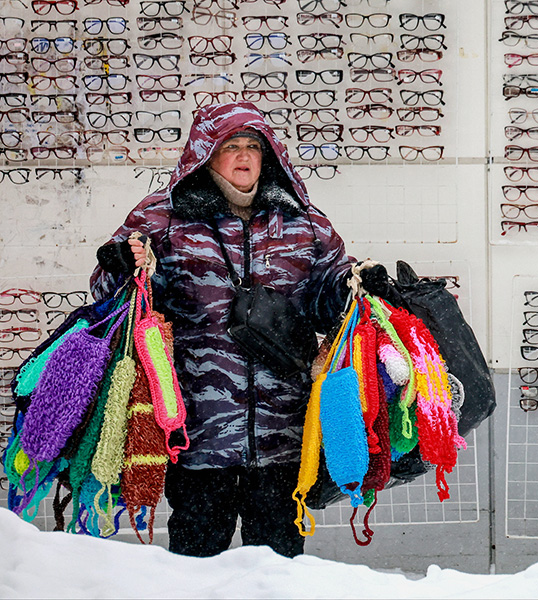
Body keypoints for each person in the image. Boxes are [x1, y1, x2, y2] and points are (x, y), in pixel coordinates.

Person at [90, 102, 387, 557]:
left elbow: (328, 301)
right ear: (206, 153)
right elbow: (117, 299)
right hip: (195, 436)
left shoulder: (303, 221)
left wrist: (356, 284)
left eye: (253, 147)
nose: (244, 157)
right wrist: (120, 269)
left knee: (278, 568)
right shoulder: (162, 219)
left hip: (282, 437)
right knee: (196, 565)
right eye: (231, 146)